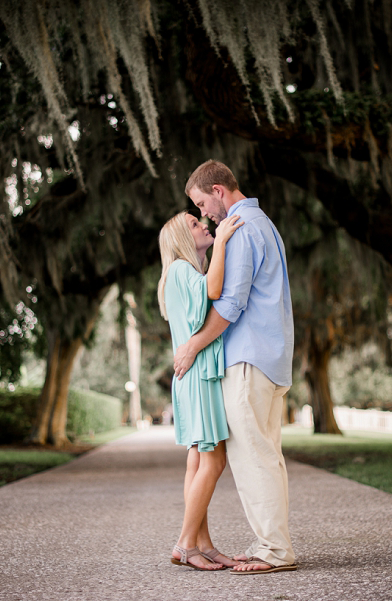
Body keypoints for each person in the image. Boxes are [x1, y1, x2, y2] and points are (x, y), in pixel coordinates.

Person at [174, 159, 297, 574]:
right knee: (269, 455)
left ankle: (274, 551)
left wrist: (192, 345)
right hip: (271, 357)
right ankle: (273, 544)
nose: (203, 212)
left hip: (248, 359)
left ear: (219, 191)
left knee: (253, 457)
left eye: (201, 202)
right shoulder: (264, 222)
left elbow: (229, 304)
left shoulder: (241, 227)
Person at [158, 209, 244, 571]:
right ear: (181, 238)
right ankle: (185, 543)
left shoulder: (181, 273)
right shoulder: (180, 270)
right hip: (198, 374)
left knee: (198, 458)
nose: (204, 224)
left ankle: (203, 544)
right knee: (214, 459)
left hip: (192, 374)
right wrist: (223, 239)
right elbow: (214, 289)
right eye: (195, 224)